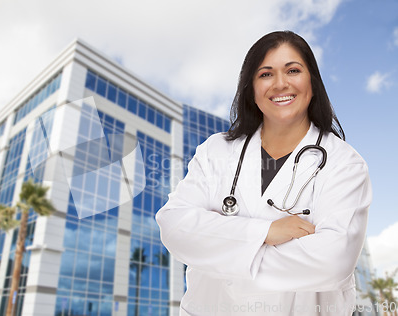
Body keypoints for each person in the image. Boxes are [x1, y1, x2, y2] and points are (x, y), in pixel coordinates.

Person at [156, 30, 372, 316]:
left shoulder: (344, 163)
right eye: (266, 74)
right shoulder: (216, 151)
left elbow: (333, 260)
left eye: (293, 70)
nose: (280, 84)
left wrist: (220, 250)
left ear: (312, 82)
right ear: (251, 88)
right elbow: (174, 226)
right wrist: (265, 232)